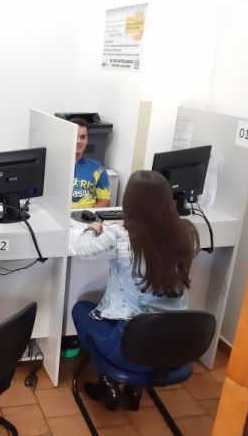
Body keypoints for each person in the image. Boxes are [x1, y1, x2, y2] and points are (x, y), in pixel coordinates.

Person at [72, 170, 199, 409]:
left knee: (80, 310)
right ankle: (135, 388)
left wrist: (94, 228)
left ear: (129, 202)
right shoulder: (187, 233)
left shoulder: (120, 236)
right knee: (140, 321)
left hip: (129, 351)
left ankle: (108, 380)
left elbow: (83, 250)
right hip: (174, 349)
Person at [70, 117, 111, 209]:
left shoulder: (98, 168)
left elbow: (105, 201)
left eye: (83, 137)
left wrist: (87, 215)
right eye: (74, 136)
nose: (79, 141)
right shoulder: (53, 166)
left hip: (87, 215)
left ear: (87, 139)